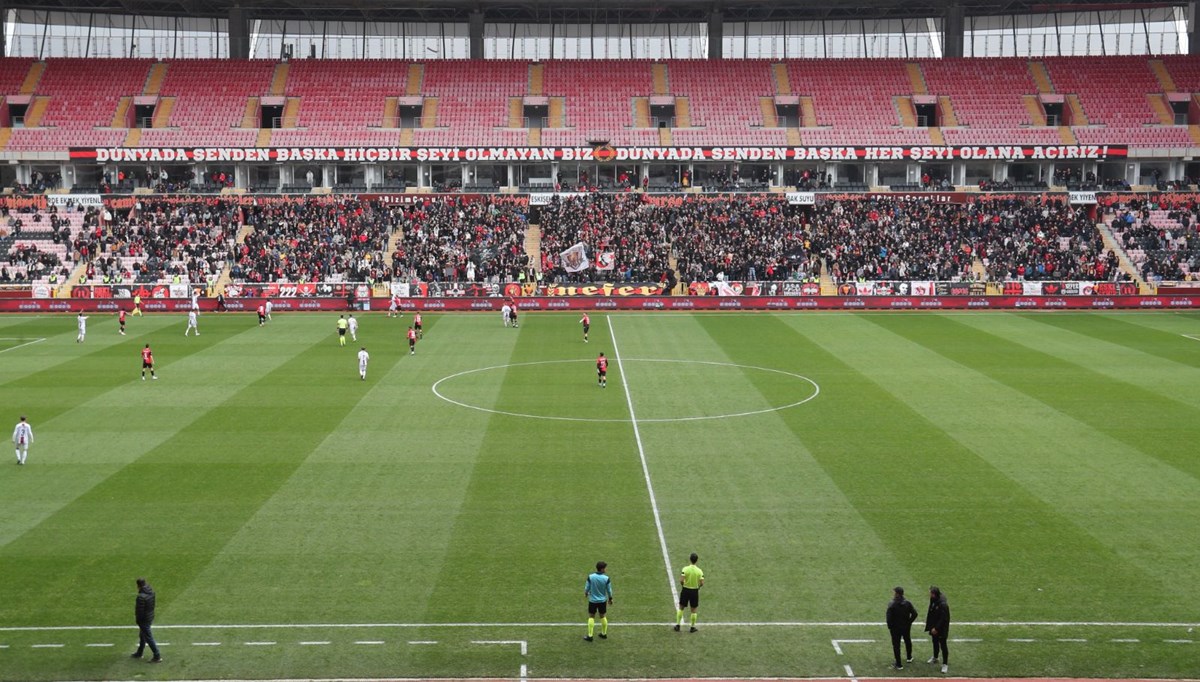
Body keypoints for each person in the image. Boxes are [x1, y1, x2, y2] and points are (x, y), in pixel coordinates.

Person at [886, 586, 919, 669]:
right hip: (906, 627)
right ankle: (909, 657)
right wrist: (909, 622)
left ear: (897, 594)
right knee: (907, 640)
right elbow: (915, 614)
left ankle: (898, 664)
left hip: (895, 628)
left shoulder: (892, 604)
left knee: (896, 645)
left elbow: (889, 618)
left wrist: (890, 627)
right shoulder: (907, 603)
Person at [131, 577, 162, 662]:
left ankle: (157, 655)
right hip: (150, 616)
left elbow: (139, 611)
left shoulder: (141, 597)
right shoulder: (151, 592)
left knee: (148, 637)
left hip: (144, 620)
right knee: (142, 636)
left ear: (138, 586)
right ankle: (140, 652)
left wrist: (138, 620)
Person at [584, 560, 613, 642]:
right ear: (602, 569)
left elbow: (587, 587)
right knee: (602, 616)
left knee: (591, 616)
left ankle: (590, 636)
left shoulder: (591, 577)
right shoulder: (606, 578)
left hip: (593, 601)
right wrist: (610, 598)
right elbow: (609, 590)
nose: (606, 570)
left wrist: (586, 593)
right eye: (605, 568)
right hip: (602, 601)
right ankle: (604, 634)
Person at [674, 552, 704, 632]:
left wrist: (684, 585)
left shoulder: (685, 569)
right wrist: (698, 587)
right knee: (693, 610)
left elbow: (681, 580)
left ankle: (677, 625)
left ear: (690, 559)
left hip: (685, 590)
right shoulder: (699, 571)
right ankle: (692, 627)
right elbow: (701, 583)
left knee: (681, 607)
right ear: (697, 560)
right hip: (694, 591)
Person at [925, 586, 950, 673]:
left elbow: (943, 618)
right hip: (934, 627)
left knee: (943, 645)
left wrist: (936, 628)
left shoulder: (942, 604)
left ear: (934, 594)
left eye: (930, 593)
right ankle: (935, 657)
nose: (929, 594)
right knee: (935, 642)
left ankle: (945, 664)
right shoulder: (934, 600)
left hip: (941, 629)